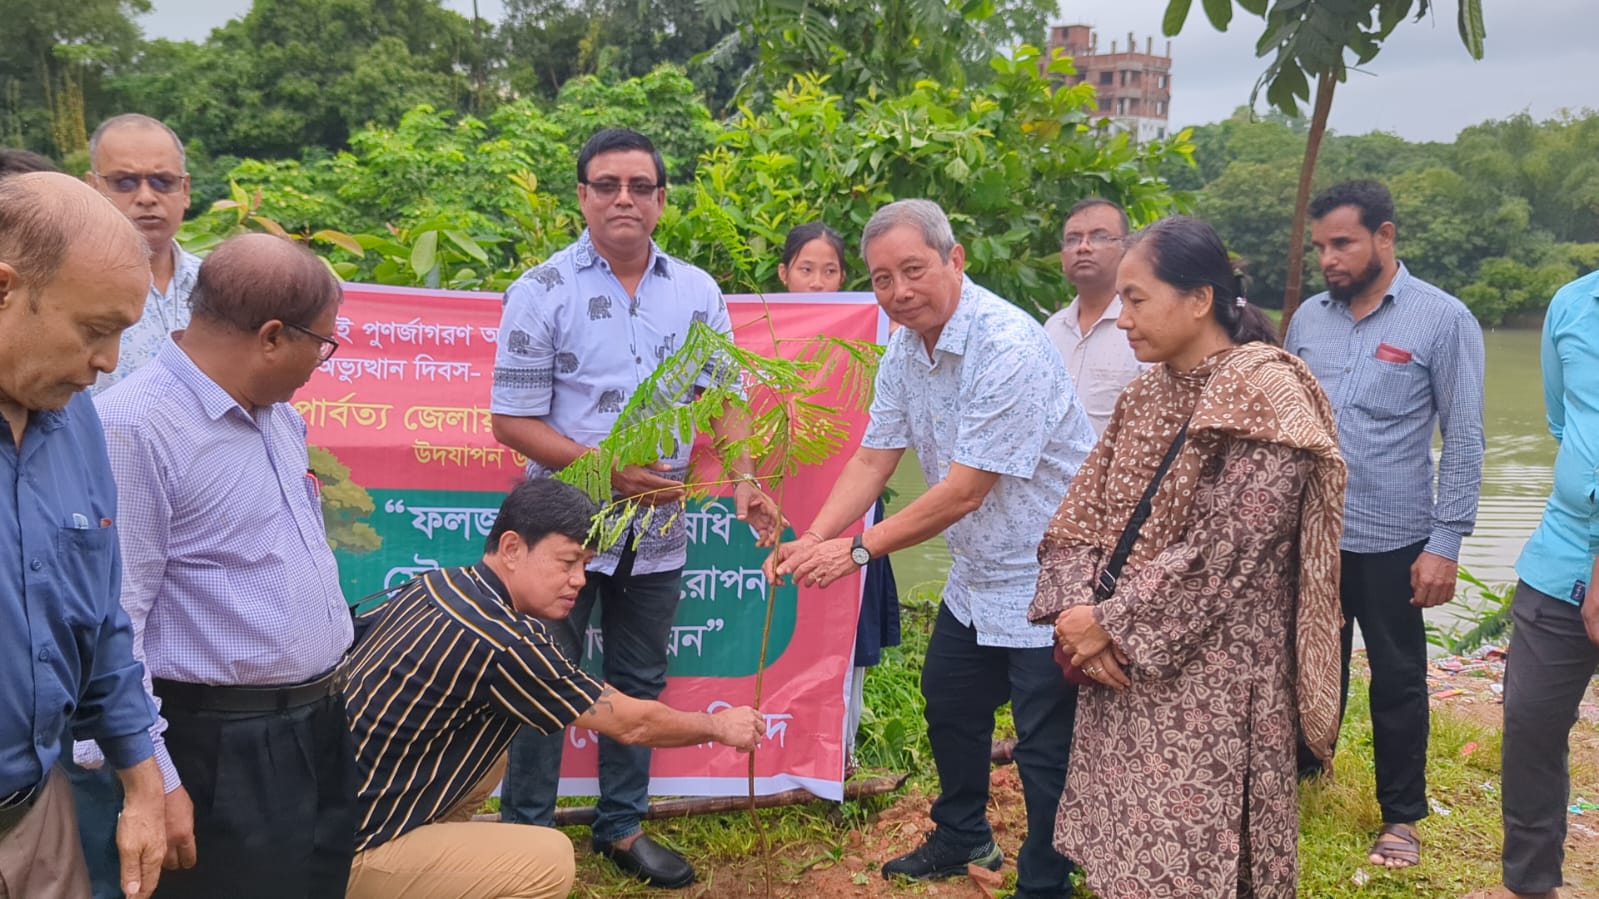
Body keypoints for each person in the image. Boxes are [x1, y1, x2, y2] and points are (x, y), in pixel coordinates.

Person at [768, 199, 1095, 897]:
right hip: (977, 573)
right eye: (882, 279)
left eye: (912, 269)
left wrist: (856, 552)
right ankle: (961, 834)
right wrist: (813, 538)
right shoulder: (903, 346)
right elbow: (872, 457)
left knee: (1043, 741)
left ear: (955, 259)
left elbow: (963, 490)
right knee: (949, 700)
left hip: (1050, 571)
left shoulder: (1003, 343)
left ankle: (1046, 876)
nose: (898, 291)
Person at [490, 126, 778, 889]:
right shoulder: (541, 289)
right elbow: (510, 421)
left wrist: (744, 473)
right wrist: (608, 473)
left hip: (658, 527)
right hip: (563, 527)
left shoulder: (696, 291)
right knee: (543, 678)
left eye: (639, 187)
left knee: (639, 676)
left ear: (659, 201)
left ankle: (620, 825)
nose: (624, 198)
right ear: (582, 196)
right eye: (607, 185)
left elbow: (725, 396)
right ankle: (525, 831)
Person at [1032, 215, 1346, 899]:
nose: (1120, 319)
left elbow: (1222, 552)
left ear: (1198, 299)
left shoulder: (1267, 395)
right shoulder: (1145, 391)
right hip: (1117, 671)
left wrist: (1105, 625)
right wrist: (1077, 616)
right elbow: (1078, 514)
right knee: (1123, 853)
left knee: (1196, 859)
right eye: (1119, 300)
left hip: (1214, 687)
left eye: (1136, 299)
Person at [341, 477, 766, 899]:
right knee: (549, 860)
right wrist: (718, 725)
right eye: (567, 563)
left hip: (328, 808)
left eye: (585, 565)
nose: (580, 580)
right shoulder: (502, 641)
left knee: (487, 761)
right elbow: (632, 724)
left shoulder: (441, 584)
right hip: (344, 851)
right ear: (511, 549)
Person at [91, 233, 357, 898]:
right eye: (322, 343)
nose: (321, 361)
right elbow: (113, 621)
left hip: (314, 723)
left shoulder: (276, 416)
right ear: (272, 336)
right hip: (218, 746)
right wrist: (156, 780)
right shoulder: (137, 427)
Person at [1284, 179, 1486, 869]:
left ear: (1384, 237)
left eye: (1342, 243)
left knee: (1396, 677)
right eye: (1320, 248)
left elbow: (1463, 438)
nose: (1329, 260)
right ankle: (1306, 771)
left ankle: (1400, 814)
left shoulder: (1441, 319)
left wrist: (1445, 542)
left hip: (1394, 534)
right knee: (1310, 659)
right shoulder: (1308, 318)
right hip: (1310, 534)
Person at [0, 171, 167, 899]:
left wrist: (143, 782)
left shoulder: (77, 424)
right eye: (95, 332)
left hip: (38, 815)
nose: (105, 364)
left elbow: (100, 621)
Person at [1464, 269, 1599, 899]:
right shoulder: (1572, 306)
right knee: (1530, 723)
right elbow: (1561, 424)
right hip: (1559, 560)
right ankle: (1528, 883)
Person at [776, 221, 901, 770]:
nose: (819, 283)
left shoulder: (874, 336)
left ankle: (837, 758)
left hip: (849, 516)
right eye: (807, 269)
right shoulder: (759, 338)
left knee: (852, 636)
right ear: (783, 274)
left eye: (831, 271)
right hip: (781, 515)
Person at [84, 114, 200, 394]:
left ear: (184, 190)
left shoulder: (218, 285)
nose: (146, 196)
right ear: (93, 188)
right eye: (125, 182)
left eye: (163, 181)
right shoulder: (68, 290)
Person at [1042, 197, 1146, 436]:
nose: (1084, 247)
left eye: (1099, 237)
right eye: (1073, 239)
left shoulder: (1143, 328)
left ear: (1126, 249)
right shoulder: (1051, 330)